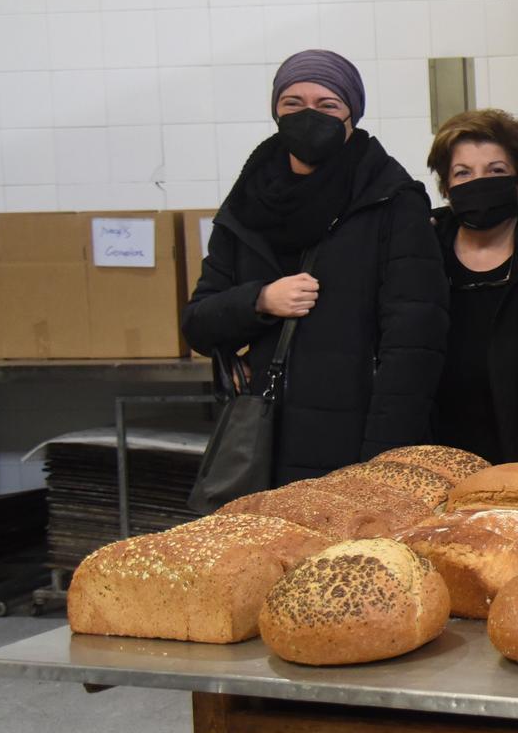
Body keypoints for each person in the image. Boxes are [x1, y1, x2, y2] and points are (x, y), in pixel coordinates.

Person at [184, 50, 447, 484]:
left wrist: (383, 463)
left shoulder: (390, 199)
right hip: (268, 444)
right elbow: (198, 324)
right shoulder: (248, 202)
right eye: (293, 104)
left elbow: (415, 341)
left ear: (352, 116)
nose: (309, 116)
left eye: (327, 105)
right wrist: (260, 300)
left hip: (355, 441)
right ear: (275, 112)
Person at [425, 109, 518, 464]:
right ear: (446, 188)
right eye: (463, 173)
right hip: (442, 446)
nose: (478, 183)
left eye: (495, 171)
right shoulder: (423, 248)